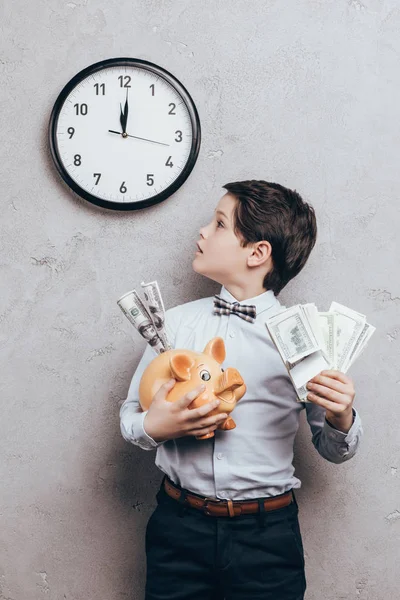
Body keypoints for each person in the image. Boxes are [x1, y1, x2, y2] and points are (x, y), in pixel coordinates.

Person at [119, 180, 363, 600]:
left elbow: (333, 448)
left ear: (257, 253)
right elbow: (129, 419)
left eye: (217, 224)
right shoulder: (174, 326)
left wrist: (343, 417)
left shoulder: (305, 340)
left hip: (267, 537)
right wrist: (157, 425)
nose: (201, 231)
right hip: (178, 526)